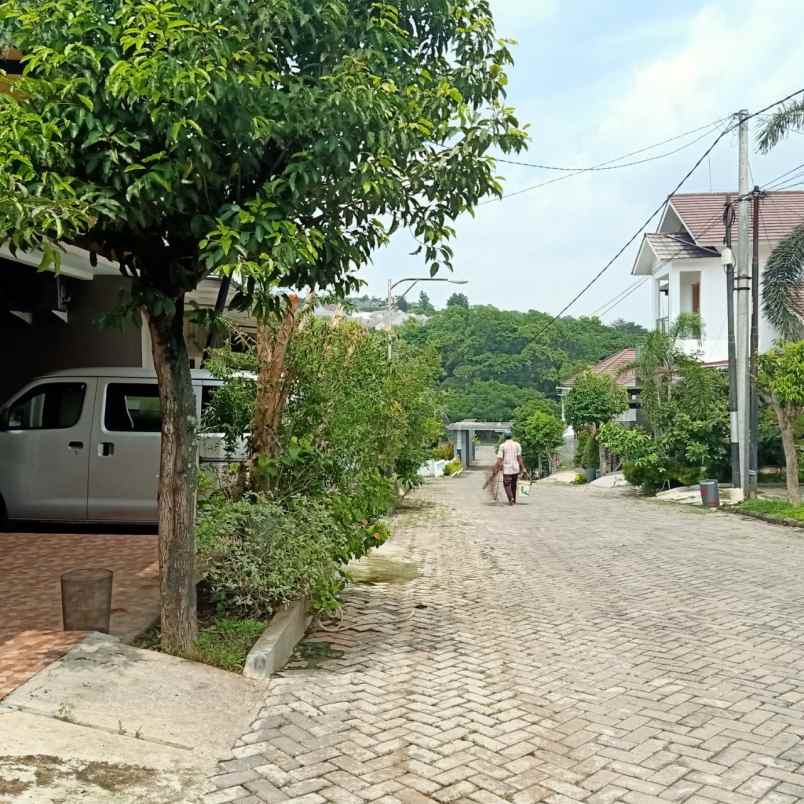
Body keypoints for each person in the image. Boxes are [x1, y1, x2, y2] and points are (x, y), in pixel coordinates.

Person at [496, 434, 526, 505]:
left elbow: (499, 458)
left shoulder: (502, 446)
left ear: (504, 437)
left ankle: (511, 498)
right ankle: (514, 499)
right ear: (512, 436)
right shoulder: (517, 445)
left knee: (506, 484)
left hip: (507, 469)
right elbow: (519, 458)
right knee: (513, 484)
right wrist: (523, 468)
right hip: (516, 468)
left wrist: (498, 466)